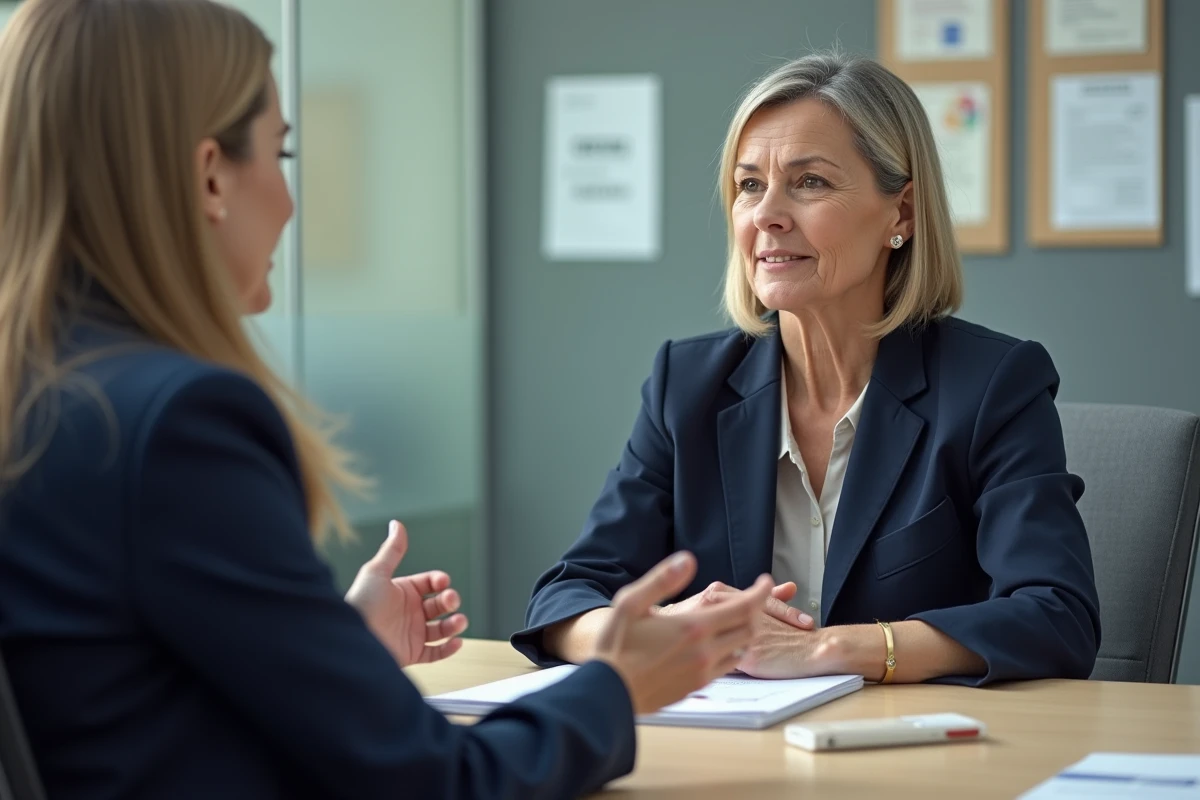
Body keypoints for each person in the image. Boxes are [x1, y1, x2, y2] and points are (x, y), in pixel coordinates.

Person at [0, 1, 779, 797]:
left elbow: (132, 686)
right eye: (282, 152)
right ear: (208, 177)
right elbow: (437, 783)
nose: (291, 203)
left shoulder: (42, 396)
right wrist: (617, 685)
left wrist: (325, 642)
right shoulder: (176, 424)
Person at [515, 51, 1102, 686]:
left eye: (810, 182)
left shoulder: (993, 384)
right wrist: (659, 631)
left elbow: (1054, 614)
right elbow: (565, 598)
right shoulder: (685, 387)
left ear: (900, 214)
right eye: (748, 185)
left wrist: (828, 649)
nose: (767, 213)